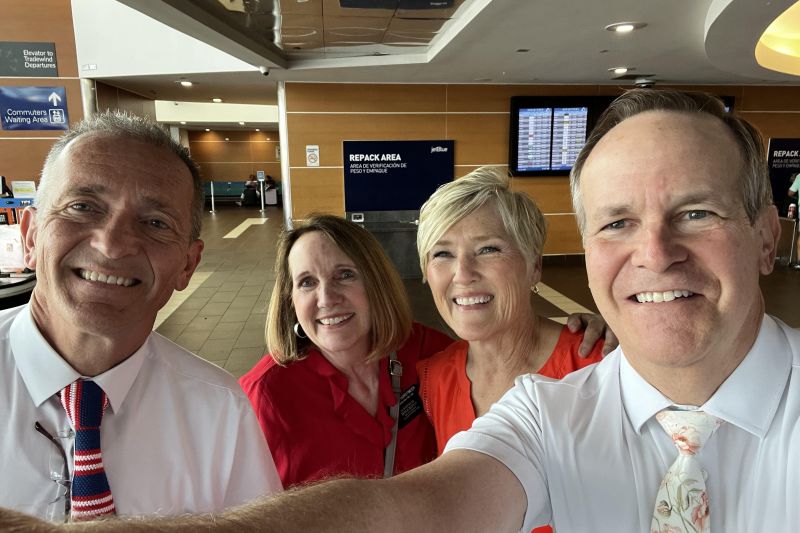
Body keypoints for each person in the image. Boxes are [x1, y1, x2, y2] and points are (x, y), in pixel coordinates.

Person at [11, 88, 788, 532]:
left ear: (767, 236)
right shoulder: (538, 412)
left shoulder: (530, 363)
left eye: (696, 213)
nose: (654, 252)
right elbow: (399, 507)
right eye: (617, 222)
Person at [0, 111, 281, 522]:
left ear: (187, 264)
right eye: (82, 207)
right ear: (30, 235)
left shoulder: (219, 410)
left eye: (154, 222)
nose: (113, 245)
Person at [239, 214, 611, 488]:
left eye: (345, 275)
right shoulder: (265, 395)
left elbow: (502, 349)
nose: (327, 298)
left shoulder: (426, 353)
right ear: (290, 300)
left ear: (376, 282)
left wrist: (600, 326)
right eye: (307, 282)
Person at [416, 167, 606, 460]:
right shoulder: (433, 379)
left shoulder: (598, 367)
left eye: (488, 249)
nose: (463, 274)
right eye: (442, 254)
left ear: (535, 267)